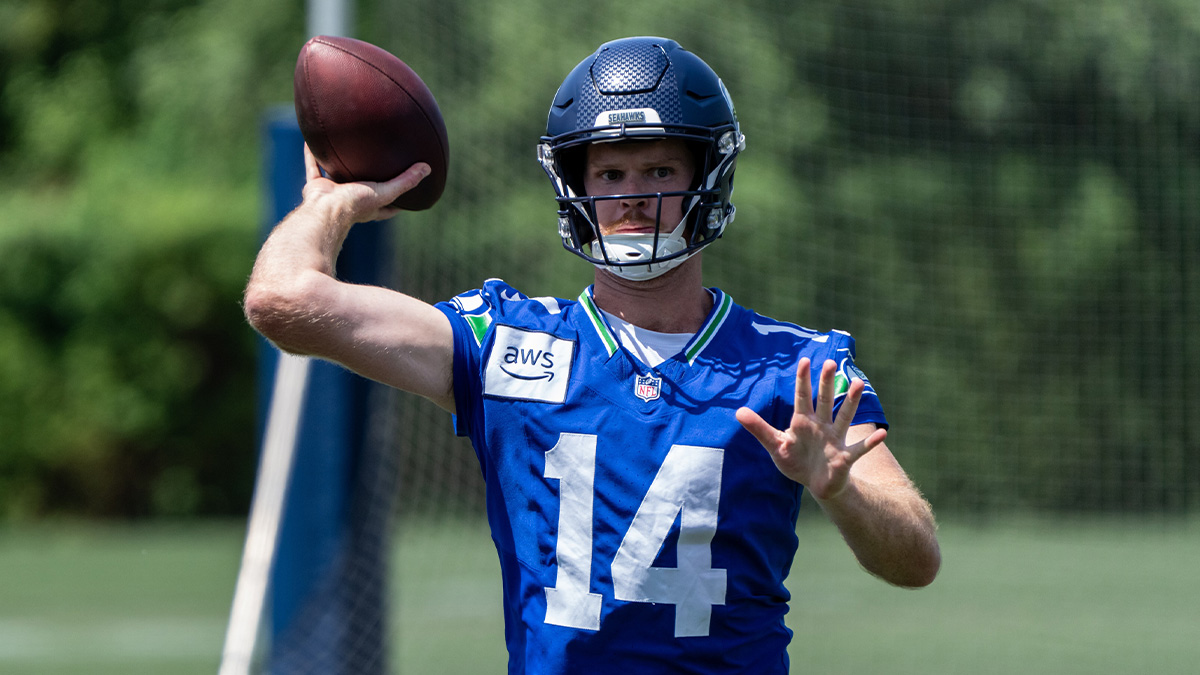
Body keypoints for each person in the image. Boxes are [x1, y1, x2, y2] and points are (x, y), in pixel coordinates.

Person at [245, 36, 940, 674]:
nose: (634, 196)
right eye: (608, 174)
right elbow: (280, 301)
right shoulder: (504, 343)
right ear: (576, 187)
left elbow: (916, 557)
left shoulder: (793, 367)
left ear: (710, 177)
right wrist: (330, 204)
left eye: (661, 168)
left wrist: (841, 490)